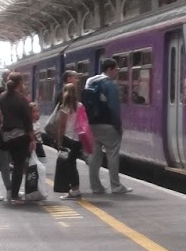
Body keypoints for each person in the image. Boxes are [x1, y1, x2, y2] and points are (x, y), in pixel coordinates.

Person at [83, 59, 130, 195]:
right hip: (108, 124)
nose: (117, 72)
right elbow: (114, 107)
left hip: (92, 124)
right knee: (113, 154)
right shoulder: (110, 84)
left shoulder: (91, 82)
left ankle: (95, 187)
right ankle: (116, 186)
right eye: (116, 69)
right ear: (109, 69)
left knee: (94, 156)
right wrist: (118, 126)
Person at [48, 82, 94, 199]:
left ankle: (75, 190)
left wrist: (59, 141)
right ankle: (74, 189)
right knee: (72, 164)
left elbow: (62, 127)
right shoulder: (80, 106)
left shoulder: (64, 108)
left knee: (69, 166)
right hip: (77, 140)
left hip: (67, 140)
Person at [0, 74, 35, 205]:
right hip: (20, 136)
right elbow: (27, 120)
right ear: (20, 83)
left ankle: (12, 192)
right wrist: (32, 138)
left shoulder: (2, 97)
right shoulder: (22, 99)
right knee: (19, 166)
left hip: (6, 136)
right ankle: (14, 196)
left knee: (12, 164)